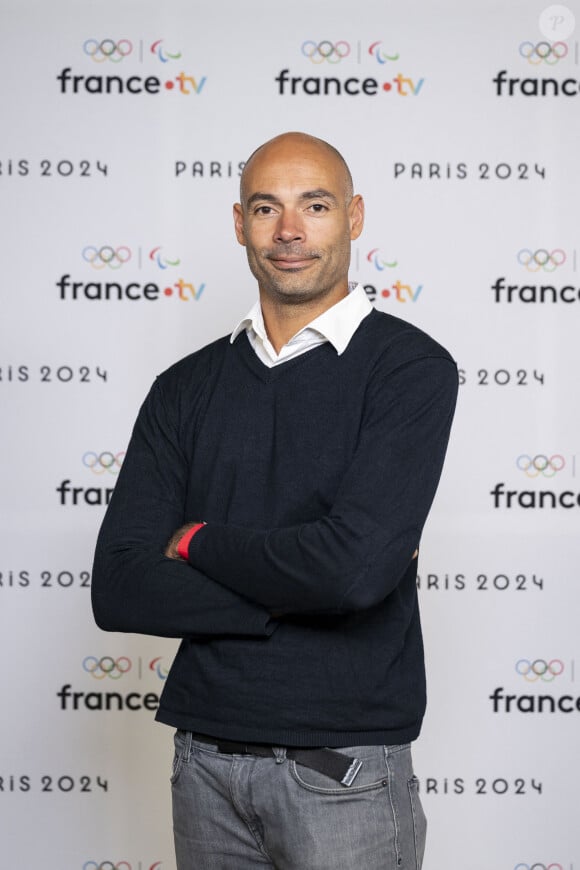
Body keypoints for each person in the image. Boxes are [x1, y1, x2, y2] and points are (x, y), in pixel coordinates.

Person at [92, 131, 458, 870]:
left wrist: (196, 542)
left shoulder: (409, 368)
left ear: (353, 217)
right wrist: (302, 588)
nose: (289, 231)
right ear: (239, 225)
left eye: (313, 206)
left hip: (341, 770)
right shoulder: (185, 387)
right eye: (267, 208)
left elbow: (349, 572)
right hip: (204, 762)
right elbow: (120, 588)